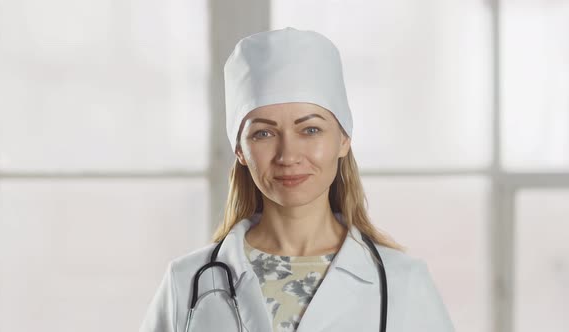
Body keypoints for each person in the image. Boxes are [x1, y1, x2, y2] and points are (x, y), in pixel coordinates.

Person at [140, 27, 455, 332]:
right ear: (240, 149)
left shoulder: (402, 281)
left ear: (343, 139)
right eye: (264, 133)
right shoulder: (188, 281)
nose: (287, 155)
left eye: (310, 130)